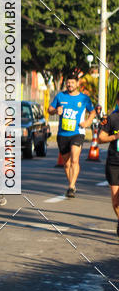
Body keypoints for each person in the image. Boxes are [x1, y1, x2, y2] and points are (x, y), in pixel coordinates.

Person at [49, 68, 96, 197]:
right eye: (68, 82)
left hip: (77, 133)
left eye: (72, 82)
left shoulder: (84, 98)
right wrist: (55, 111)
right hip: (62, 134)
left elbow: (92, 112)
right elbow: (49, 109)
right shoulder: (60, 96)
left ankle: (70, 187)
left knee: (75, 159)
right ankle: (72, 184)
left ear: (77, 83)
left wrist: (87, 123)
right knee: (66, 163)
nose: (70, 85)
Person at [97, 98, 119, 237]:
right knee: (116, 201)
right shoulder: (111, 118)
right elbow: (100, 138)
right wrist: (115, 136)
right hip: (115, 163)